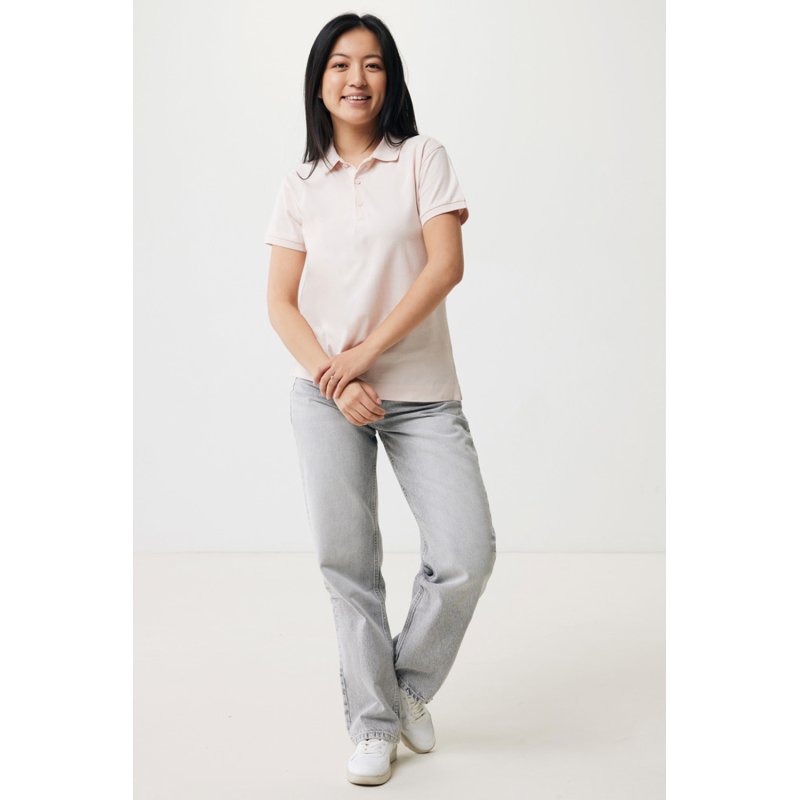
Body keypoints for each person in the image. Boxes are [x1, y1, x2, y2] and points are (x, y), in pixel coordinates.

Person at [264, 13, 497, 787]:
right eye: (339, 64)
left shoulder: (424, 159)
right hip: (326, 396)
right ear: (319, 82)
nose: (355, 79)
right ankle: (371, 725)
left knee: (466, 555)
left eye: (371, 64)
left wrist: (364, 356)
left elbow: (444, 267)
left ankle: (402, 690)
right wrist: (336, 377)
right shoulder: (300, 185)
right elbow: (280, 304)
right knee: (349, 564)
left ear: (390, 79)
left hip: (421, 393)